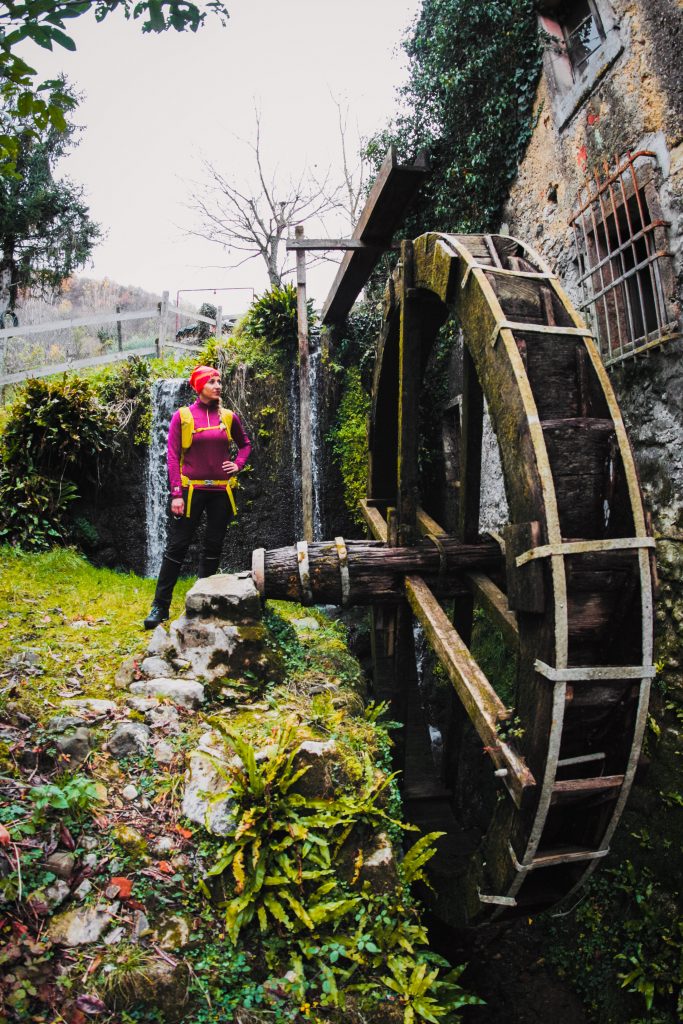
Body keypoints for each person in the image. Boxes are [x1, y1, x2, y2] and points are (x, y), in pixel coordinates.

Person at [144, 364, 251, 629]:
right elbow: (172, 457)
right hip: (191, 491)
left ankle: (204, 603)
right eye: (212, 381)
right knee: (176, 548)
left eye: (219, 381)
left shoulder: (228, 417)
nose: (218, 385)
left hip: (221, 493)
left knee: (213, 548)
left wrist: (238, 463)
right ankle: (160, 606)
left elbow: (246, 444)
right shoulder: (182, 416)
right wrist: (176, 494)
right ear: (199, 386)